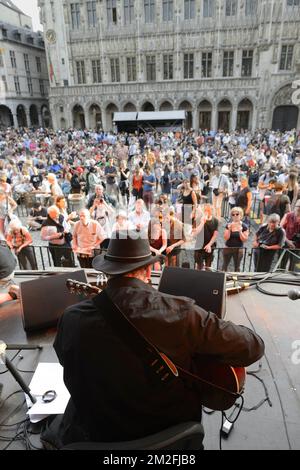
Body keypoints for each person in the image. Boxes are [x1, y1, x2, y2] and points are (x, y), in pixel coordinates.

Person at [40, 231, 264, 449]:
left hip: (94, 435)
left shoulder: (71, 318)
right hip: (168, 436)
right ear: (148, 270)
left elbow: (66, 360)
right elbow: (253, 347)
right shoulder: (182, 314)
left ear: (107, 272)